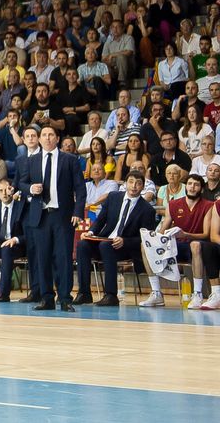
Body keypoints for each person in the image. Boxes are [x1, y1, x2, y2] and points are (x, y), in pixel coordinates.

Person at [16, 125, 86, 311]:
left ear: (57, 138)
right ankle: (46, 298)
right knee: (42, 258)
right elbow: (21, 183)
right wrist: (31, 189)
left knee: (63, 258)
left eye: (51, 135)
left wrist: (78, 212)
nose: (47, 138)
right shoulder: (32, 161)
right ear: (39, 139)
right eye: (44, 135)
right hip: (40, 215)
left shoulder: (70, 160)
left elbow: (80, 189)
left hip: (62, 215)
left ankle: (65, 299)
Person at [73, 171, 156, 306]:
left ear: (142, 187)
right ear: (124, 184)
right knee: (83, 244)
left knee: (105, 246)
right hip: (106, 241)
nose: (134, 186)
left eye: (138, 183)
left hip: (125, 248)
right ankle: (84, 293)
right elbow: (100, 220)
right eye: (131, 182)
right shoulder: (113, 197)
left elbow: (146, 239)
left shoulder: (147, 209)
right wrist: (91, 232)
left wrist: (125, 241)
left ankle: (111, 295)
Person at [140, 173, 213, 308]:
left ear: (201, 189)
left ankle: (197, 294)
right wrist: (153, 237)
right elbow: (163, 228)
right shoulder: (173, 204)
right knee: (145, 246)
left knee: (196, 245)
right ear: (186, 186)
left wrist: (185, 234)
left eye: (196, 185)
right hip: (176, 245)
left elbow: (206, 234)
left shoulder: (208, 205)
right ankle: (156, 293)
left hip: (197, 244)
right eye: (190, 184)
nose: (192, 187)